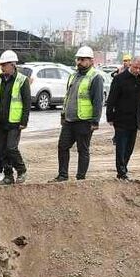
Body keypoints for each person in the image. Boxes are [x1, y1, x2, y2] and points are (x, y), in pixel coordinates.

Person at [52, 45, 104, 182]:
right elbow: (68, 97)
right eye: (78, 59)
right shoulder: (73, 76)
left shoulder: (95, 77)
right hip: (69, 120)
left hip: (84, 120)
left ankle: (80, 178)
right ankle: (63, 175)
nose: (79, 62)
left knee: (83, 149)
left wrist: (95, 121)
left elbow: (98, 101)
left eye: (82, 59)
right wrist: (63, 114)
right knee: (62, 146)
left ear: (91, 61)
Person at [0, 50, 31, 185]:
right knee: (2, 150)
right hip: (0, 121)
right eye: (1, 65)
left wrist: (24, 121)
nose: (2, 67)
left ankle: (21, 169)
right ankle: (8, 176)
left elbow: (27, 102)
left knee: (11, 148)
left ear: (12, 64)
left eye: (4, 65)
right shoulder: (0, 80)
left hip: (14, 121)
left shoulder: (22, 80)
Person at [106, 56, 140, 181]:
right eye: (135, 67)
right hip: (121, 119)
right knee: (121, 147)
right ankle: (121, 172)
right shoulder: (120, 78)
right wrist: (110, 116)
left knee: (129, 148)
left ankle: (124, 167)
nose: (137, 70)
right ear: (131, 65)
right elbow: (111, 98)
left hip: (134, 120)